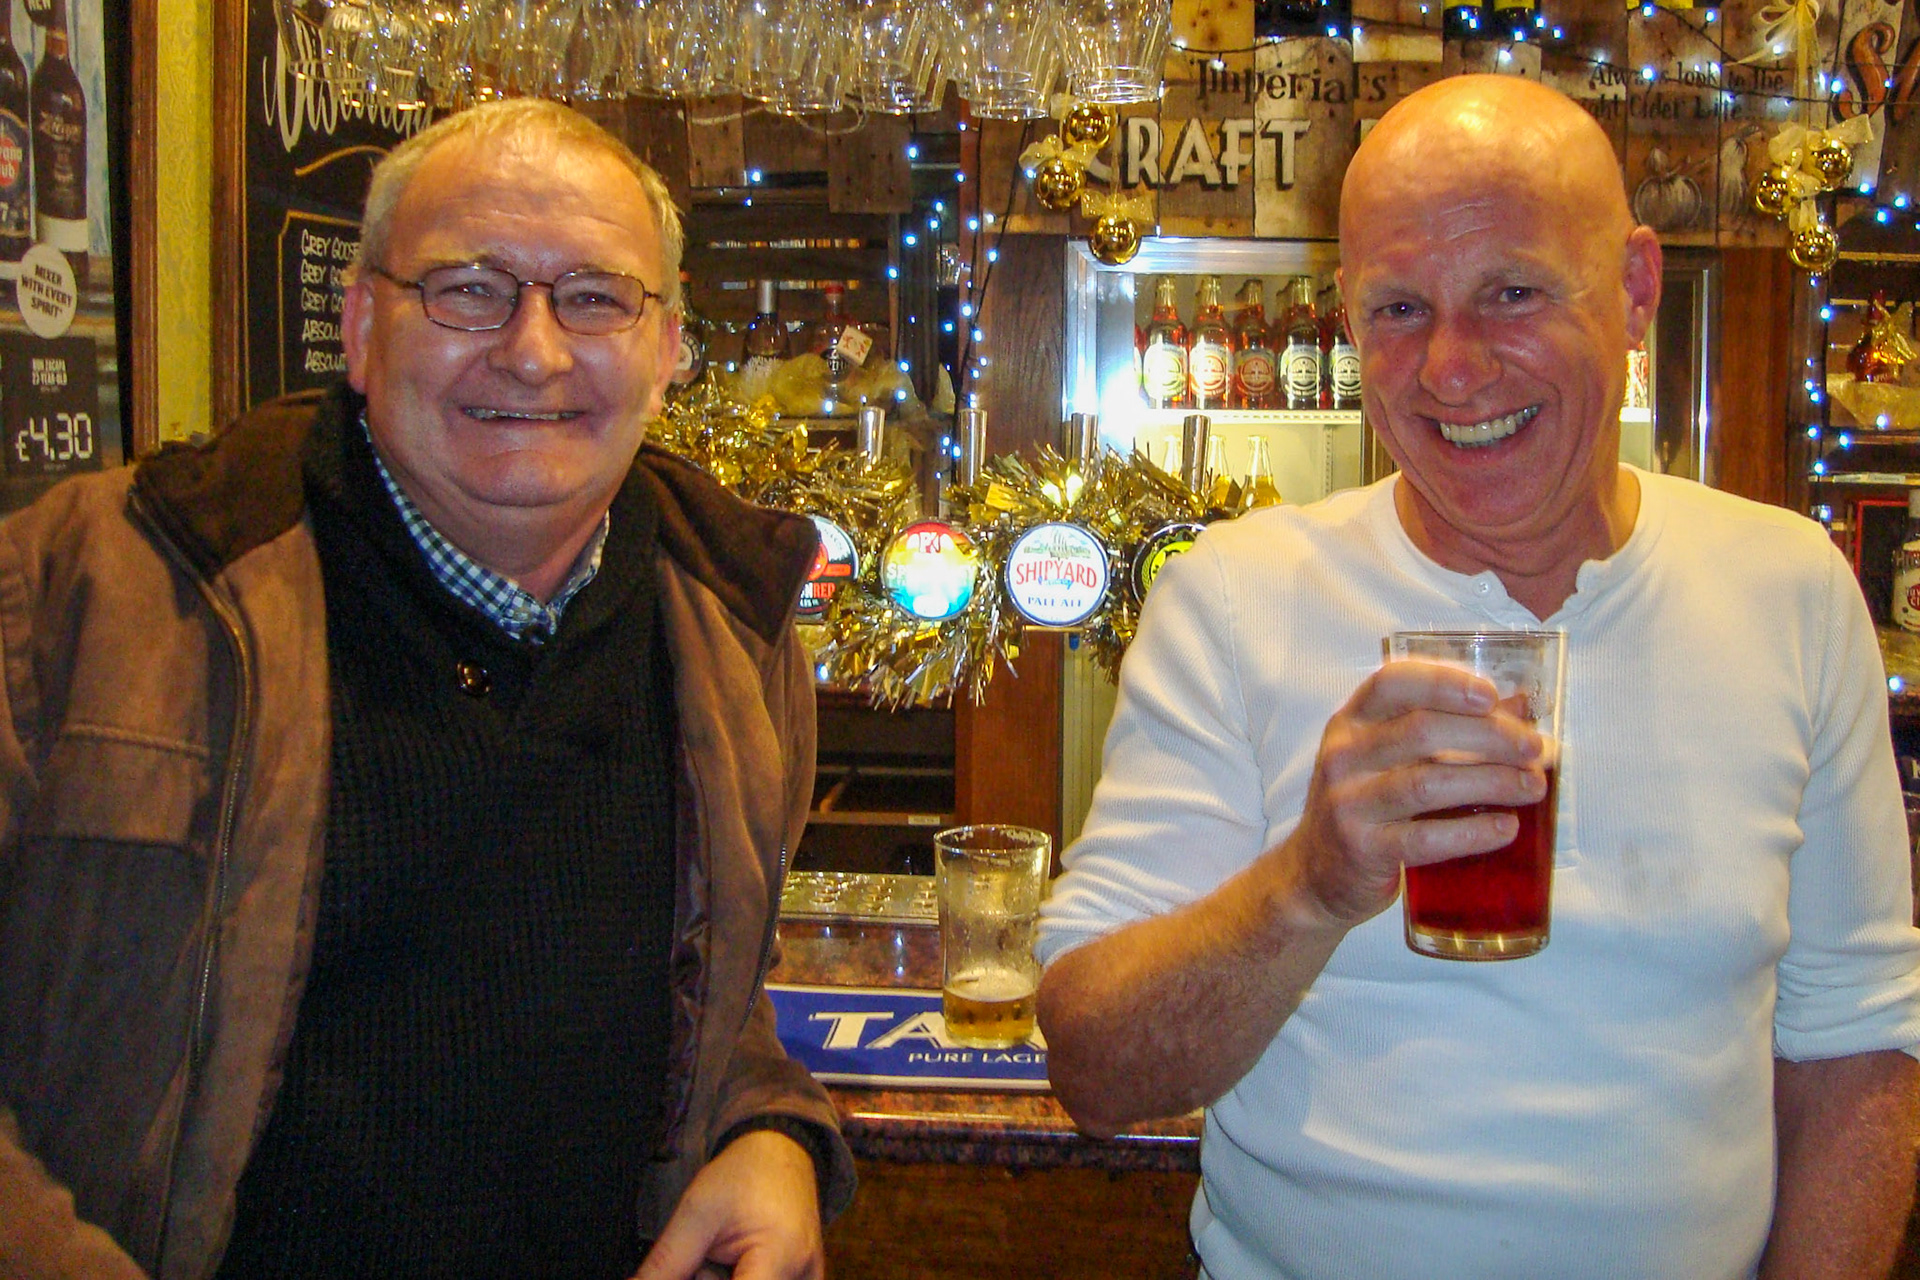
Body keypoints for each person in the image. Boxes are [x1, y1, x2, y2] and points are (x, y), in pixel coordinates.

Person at [1036, 74, 1920, 1280]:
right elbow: (1095, 1069)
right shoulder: (1234, 597)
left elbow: (1858, 1042)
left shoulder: (1791, 587)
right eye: (1399, 308)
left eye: (1512, 293)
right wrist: (1307, 883)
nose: (1451, 370)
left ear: (1637, 291)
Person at [0, 98, 851, 1280]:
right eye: (467, 289)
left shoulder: (732, 630)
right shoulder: (87, 587)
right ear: (361, 327)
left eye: (595, 298)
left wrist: (771, 1130)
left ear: (664, 356)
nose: (534, 351)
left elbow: (704, 991)